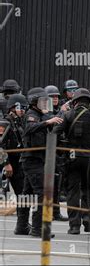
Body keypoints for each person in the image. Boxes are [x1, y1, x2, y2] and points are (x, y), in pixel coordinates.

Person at [53, 88, 90, 234]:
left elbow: (54, 134)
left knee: (73, 191)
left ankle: (74, 225)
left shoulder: (67, 115)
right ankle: (87, 219)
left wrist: (61, 149)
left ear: (74, 101)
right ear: (89, 101)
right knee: (88, 189)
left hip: (72, 158)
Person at [21, 87, 63, 237]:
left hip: (35, 159)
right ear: (34, 102)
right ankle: (38, 229)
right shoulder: (31, 115)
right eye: (43, 101)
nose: (46, 104)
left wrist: (52, 119)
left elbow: (52, 121)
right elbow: (29, 128)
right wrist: (48, 122)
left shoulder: (41, 115)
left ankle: (21, 226)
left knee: (26, 194)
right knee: (42, 194)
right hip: (32, 160)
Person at [0, 94, 30, 234]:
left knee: (22, 194)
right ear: (12, 107)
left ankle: (22, 224)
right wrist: (6, 163)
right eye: (20, 107)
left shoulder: (19, 122)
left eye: (24, 107)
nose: (23, 110)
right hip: (8, 163)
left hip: (18, 163)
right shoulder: (5, 123)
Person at [44, 84, 68, 221]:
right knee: (48, 185)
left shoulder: (59, 110)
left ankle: (56, 212)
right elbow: (53, 125)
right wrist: (63, 112)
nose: (55, 98)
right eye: (51, 96)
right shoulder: (45, 112)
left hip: (58, 152)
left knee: (57, 184)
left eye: (56, 96)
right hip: (47, 152)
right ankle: (48, 213)